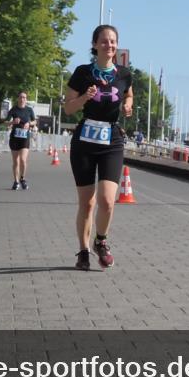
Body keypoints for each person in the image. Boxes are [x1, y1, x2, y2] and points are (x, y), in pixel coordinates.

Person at [63, 25, 133, 271]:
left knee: (107, 201)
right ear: (94, 45)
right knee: (88, 203)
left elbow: (128, 96)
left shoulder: (124, 73)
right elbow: (68, 108)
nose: (109, 45)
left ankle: (100, 241)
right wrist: (85, 97)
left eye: (113, 41)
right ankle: (83, 251)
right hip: (85, 140)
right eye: (104, 41)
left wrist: (128, 106)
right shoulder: (82, 73)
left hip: (111, 139)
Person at [7, 91, 37, 190]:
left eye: (24, 97)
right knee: (16, 161)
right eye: (20, 97)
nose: (22, 99)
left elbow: (35, 121)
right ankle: (16, 181)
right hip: (15, 138)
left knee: (23, 160)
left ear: (26, 99)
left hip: (25, 138)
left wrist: (29, 123)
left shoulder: (29, 110)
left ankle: (22, 179)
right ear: (18, 98)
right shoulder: (13, 110)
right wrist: (12, 122)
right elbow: (5, 122)